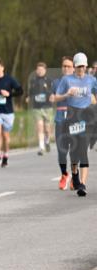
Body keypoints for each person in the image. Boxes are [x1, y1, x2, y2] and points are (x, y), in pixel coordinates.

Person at [53, 52, 97, 197]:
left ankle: (82, 184)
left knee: (83, 150)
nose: (81, 69)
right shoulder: (66, 80)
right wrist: (67, 95)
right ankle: (74, 173)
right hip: (71, 117)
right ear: (75, 67)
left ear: (86, 66)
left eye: (83, 66)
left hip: (85, 117)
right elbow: (55, 97)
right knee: (74, 151)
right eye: (78, 67)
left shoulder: (91, 80)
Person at [0, 59, 23, 168]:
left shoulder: (9, 79)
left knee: (6, 136)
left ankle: (5, 155)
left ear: (2, 68)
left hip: (8, 112)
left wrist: (9, 94)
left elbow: (20, 91)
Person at [54, 56, 75, 190]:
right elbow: (53, 97)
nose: (66, 68)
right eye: (64, 66)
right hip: (60, 118)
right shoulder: (56, 82)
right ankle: (64, 174)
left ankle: (75, 176)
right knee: (62, 150)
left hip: (75, 118)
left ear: (73, 68)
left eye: (69, 66)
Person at [26, 61, 56, 155]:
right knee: (40, 127)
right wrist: (28, 97)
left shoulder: (49, 80)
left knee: (47, 129)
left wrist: (53, 95)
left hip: (47, 107)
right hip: (37, 107)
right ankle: (41, 147)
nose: (39, 71)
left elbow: (54, 91)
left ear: (45, 70)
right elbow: (31, 91)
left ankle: (47, 141)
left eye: (41, 70)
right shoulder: (33, 80)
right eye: (38, 70)